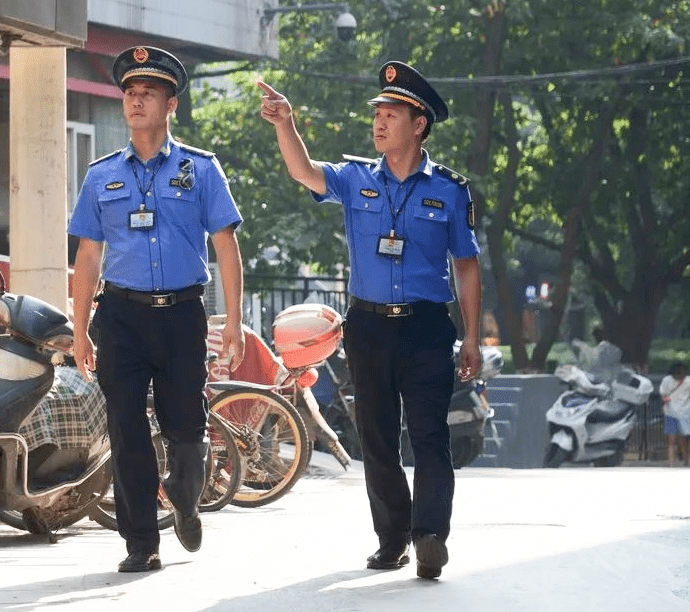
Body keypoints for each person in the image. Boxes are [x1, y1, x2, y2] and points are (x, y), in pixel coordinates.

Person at [258, 62, 482, 579]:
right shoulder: (356, 177)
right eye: (377, 114)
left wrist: (472, 335)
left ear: (418, 123)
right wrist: (284, 123)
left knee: (429, 436)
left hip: (427, 326)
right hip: (369, 327)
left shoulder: (450, 190)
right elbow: (304, 172)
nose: (379, 123)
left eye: (390, 114)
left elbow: (466, 267)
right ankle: (392, 539)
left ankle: (430, 536)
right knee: (377, 437)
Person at [69, 45, 245, 574]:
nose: (136, 100)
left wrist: (232, 320)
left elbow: (226, 247)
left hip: (182, 315)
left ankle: (186, 497)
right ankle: (141, 541)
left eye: (148, 93)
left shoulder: (201, 169)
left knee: (186, 427)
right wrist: (80, 331)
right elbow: (88, 255)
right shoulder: (101, 176)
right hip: (120, 317)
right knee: (125, 429)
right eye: (129, 92)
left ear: (171, 104)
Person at [659, 361, 690, 466]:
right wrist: (664, 404)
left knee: (683, 439)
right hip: (671, 412)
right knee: (672, 439)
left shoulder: (689, 381)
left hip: (684, 413)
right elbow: (663, 393)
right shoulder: (667, 380)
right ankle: (672, 463)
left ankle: (685, 462)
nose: (680, 375)